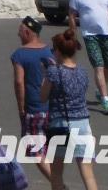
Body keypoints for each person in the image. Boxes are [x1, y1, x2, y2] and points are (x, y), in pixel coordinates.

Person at [40, 31, 99, 190]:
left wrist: (46, 73)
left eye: (53, 49)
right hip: (83, 124)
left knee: (56, 173)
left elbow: (43, 97)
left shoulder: (53, 72)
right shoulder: (83, 72)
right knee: (88, 174)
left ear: (58, 51)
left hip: (61, 125)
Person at [11, 15, 52, 181]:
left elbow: (19, 82)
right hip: (52, 109)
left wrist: (21, 107)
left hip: (34, 109)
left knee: (37, 152)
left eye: (20, 31)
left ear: (27, 32)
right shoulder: (49, 51)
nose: (18, 34)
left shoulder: (19, 55)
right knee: (52, 151)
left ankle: (59, 184)